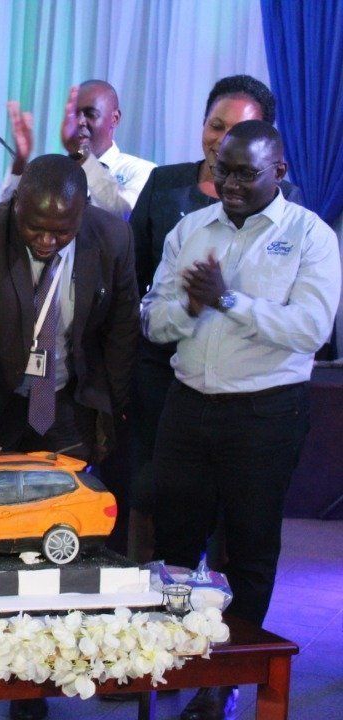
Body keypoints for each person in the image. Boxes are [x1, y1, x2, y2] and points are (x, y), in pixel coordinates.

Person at [142, 120, 339, 720]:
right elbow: (152, 320)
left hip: (265, 412)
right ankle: (177, 657)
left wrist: (228, 300)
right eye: (222, 169)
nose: (229, 183)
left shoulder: (310, 237)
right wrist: (191, 304)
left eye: (245, 172)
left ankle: (223, 680)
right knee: (175, 541)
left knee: (249, 549)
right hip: (188, 407)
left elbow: (312, 329)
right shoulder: (188, 229)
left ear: (279, 171)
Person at [0, 154, 139, 720]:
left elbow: (122, 330)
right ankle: (0, 665)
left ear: (83, 214)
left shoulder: (113, 237)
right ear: (15, 205)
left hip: (70, 406)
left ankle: (53, 669)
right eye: (34, 227)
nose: (46, 240)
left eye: (60, 230)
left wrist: (114, 411)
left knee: (63, 538)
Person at [126, 75, 302, 561]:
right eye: (215, 124)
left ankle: (229, 617)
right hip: (165, 372)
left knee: (237, 513)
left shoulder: (292, 208)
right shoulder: (165, 184)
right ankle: (156, 604)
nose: (223, 139)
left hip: (248, 386)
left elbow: (300, 315)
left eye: (239, 130)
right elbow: (133, 278)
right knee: (155, 497)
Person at [2, 80, 155, 220]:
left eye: (90, 114)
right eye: (75, 114)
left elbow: (124, 212)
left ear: (114, 119)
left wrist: (80, 154)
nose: (80, 121)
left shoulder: (142, 171)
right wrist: (20, 162)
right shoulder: (56, 172)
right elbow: (9, 214)